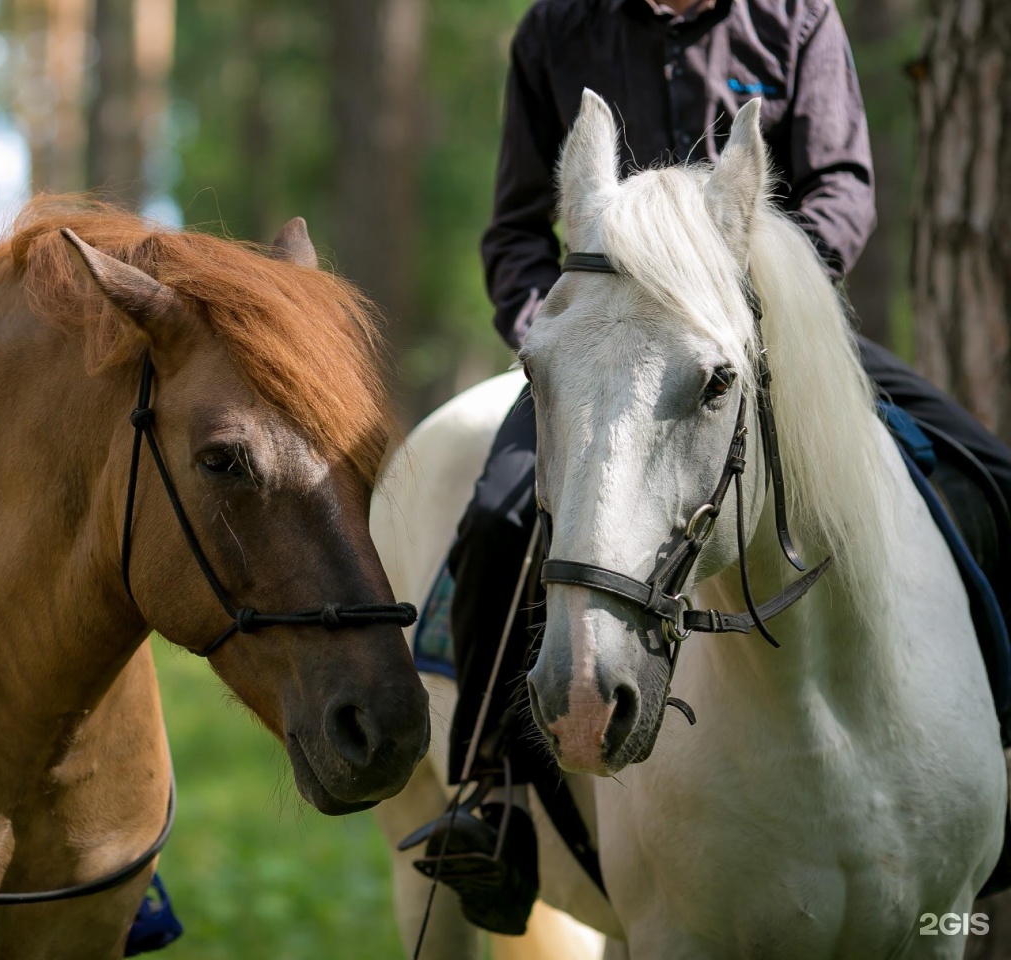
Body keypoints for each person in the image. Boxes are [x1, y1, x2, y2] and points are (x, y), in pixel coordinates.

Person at [413, 0, 1011, 936]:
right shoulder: (553, 32)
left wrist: (749, 296)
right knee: (494, 514)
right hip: (602, 351)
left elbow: (841, 190)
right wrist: (560, 346)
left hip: (767, 330)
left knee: (992, 477)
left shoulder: (798, 18)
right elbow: (518, 236)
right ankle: (489, 792)